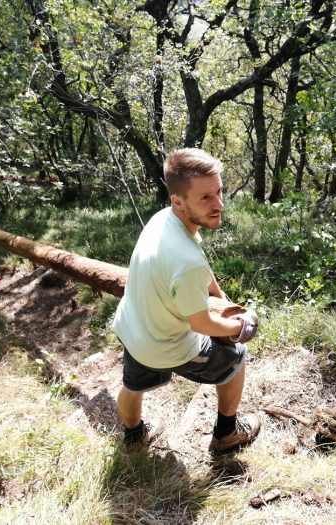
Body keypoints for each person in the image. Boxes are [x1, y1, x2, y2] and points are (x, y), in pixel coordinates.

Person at [112, 148, 260, 454]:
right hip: (166, 346)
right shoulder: (185, 260)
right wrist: (240, 326)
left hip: (133, 328)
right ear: (179, 201)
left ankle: (134, 434)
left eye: (219, 191)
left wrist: (220, 298)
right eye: (205, 197)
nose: (219, 204)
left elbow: (202, 272)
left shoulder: (163, 219)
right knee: (238, 357)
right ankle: (226, 434)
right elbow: (202, 324)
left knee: (132, 384)